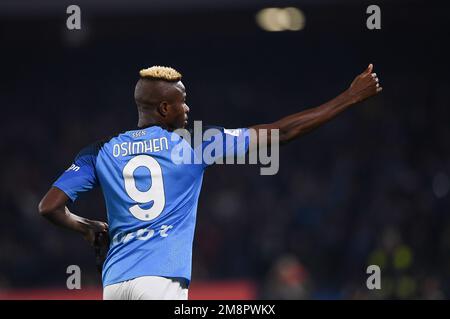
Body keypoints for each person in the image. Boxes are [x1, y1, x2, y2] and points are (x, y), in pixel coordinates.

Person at [38, 64, 382, 300]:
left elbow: (50, 206)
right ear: (163, 108)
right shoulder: (195, 144)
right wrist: (349, 97)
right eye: (181, 101)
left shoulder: (100, 151)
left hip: (114, 286)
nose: (187, 107)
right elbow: (283, 131)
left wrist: (86, 228)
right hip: (161, 284)